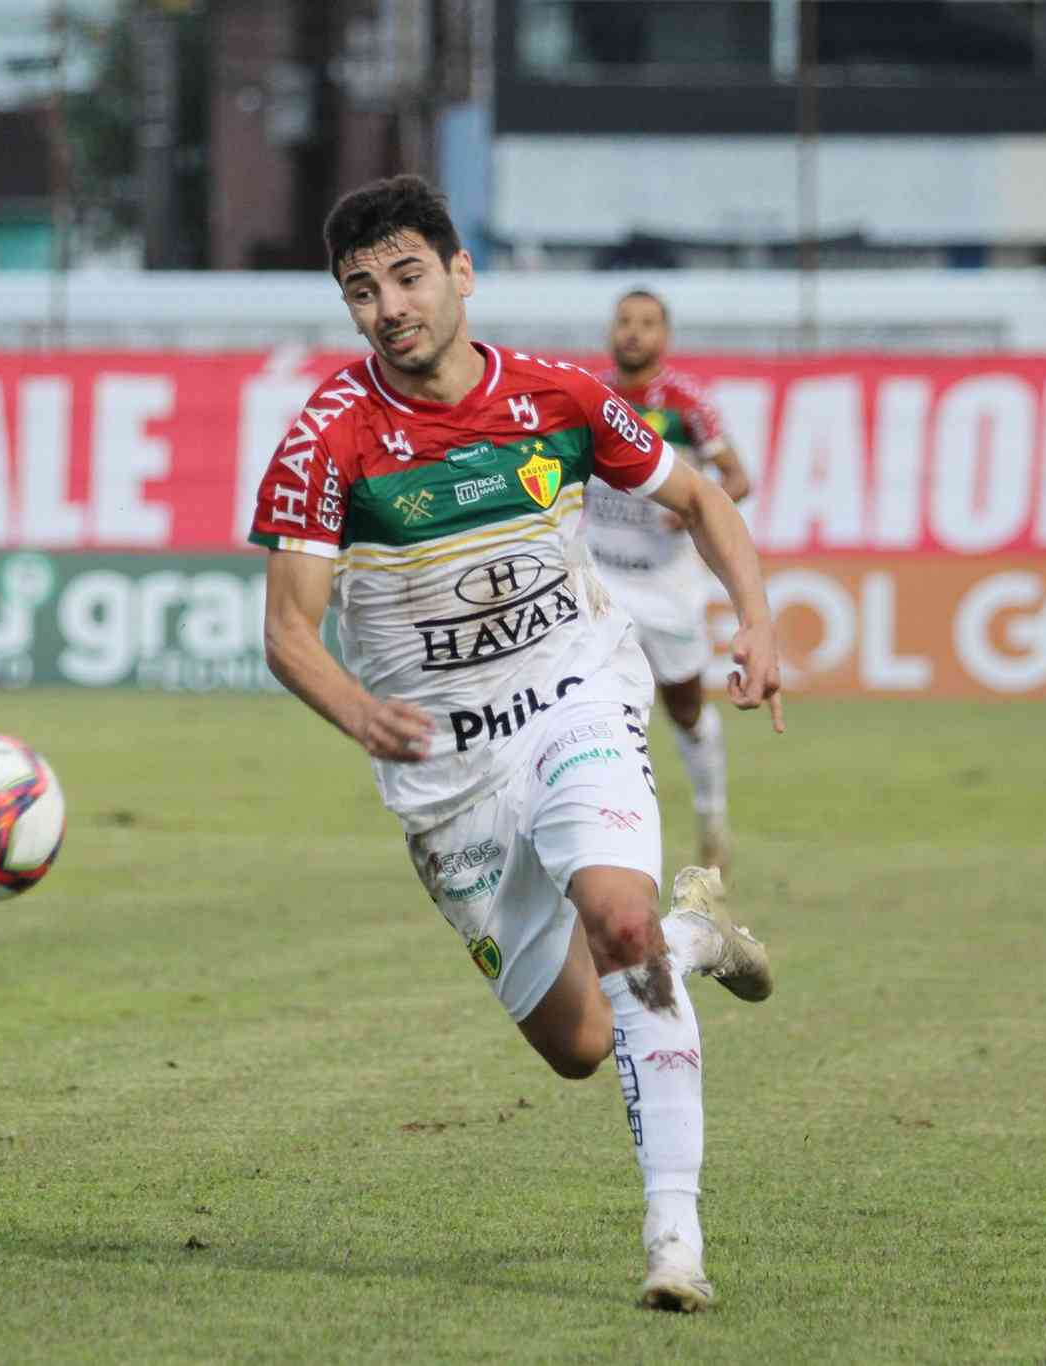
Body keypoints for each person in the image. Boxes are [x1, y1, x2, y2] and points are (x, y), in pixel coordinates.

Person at [250, 175, 783, 1311]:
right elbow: (286, 632)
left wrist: (755, 618)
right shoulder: (326, 439)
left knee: (616, 918)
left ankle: (673, 1240)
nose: (387, 306)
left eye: (405, 276)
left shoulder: (559, 398)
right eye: (360, 290)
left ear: (459, 273)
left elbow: (700, 499)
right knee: (579, 1044)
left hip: (575, 700)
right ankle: (697, 937)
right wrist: (356, 711)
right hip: (445, 779)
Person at [585, 291, 753, 877]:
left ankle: (712, 816)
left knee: (684, 708)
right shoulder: (588, 395)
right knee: (596, 705)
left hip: (668, 587)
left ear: (666, 335)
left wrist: (691, 512)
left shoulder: (686, 403)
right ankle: (610, 836)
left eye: (647, 323)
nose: (633, 332)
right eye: (624, 321)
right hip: (600, 581)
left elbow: (736, 477)